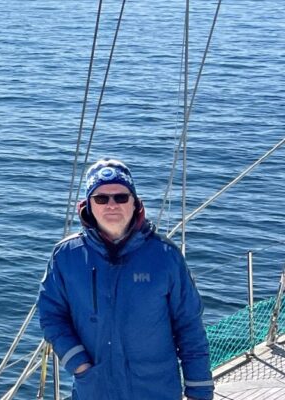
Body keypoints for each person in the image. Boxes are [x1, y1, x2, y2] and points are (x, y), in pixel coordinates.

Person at [36, 158, 214, 400]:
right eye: (101, 198)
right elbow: (52, 316)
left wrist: (199, 391)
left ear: (135, 203)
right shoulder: (66, 256)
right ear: (88, 204)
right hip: (94, 391)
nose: (111, 205)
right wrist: (79, 364)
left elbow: (189, 328)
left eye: (121, 197)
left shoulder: (166, 256)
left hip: (157, 392)